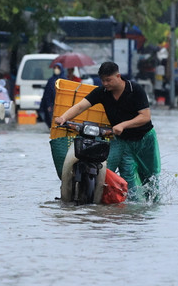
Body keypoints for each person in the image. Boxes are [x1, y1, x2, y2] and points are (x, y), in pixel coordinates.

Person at [55, 61, 161, 199]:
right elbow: (81, 106)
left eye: (108, 80)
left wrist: (123, 125)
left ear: (118, 76)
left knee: (150, 175)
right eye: (102, 80)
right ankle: (134, 209)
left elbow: (145, 116)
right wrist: (63, 118)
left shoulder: (135, 90)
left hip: (145, 138)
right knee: (128, 176)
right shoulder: (102, 92)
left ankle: (153, 206)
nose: (105, 84)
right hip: (123, 141)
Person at [38, 63, 66, 128]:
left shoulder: (64, 80)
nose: (56, 70)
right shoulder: (51, 80)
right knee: (52, 119)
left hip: (62, 104)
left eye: (58, 68)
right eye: (55, 68)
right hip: (52, 104)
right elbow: (47, 94)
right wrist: (48, 105)